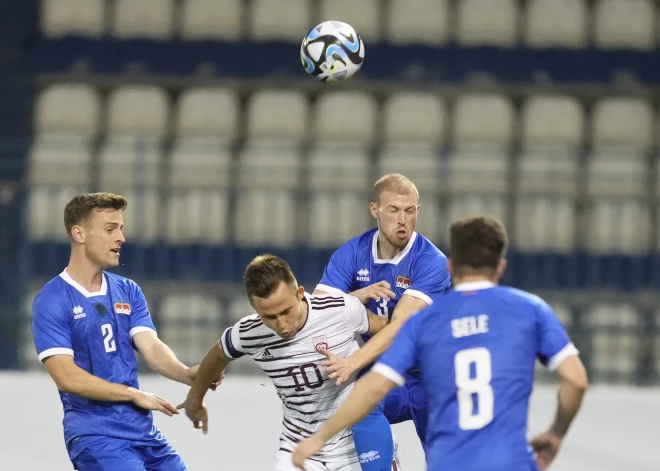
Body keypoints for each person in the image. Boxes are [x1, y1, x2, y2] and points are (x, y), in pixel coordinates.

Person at [293, 215, 589, 471]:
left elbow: (372, 388)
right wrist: (555, 433)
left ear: (450, 265)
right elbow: (576, 381)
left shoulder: (425, 321)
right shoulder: (531, 310)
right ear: (500, 266)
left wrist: (319, 438)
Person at [31, 192, 221, 471]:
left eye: (121, 228)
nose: (121, 238)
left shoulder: (127, 290)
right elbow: (66, 376)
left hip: (142, 432)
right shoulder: (53, 299)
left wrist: (187, 373)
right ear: (79, 234)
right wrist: (132, 394)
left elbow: (152, 347)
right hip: (96, 436)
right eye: (110, 229)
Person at [178, 254, 389, 471]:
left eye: (286, 311)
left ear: (299, 294)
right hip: (298, 448)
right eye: (269, 317)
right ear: (254, 308)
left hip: (358, 443)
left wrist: (357, 363)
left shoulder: (340, 310)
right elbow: (218, 354)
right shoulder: (249, 333)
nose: (282, 324)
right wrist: (195, 399)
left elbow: (389, 331)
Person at [313, 173, 450, 469]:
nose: (403, 220)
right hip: (386, 374)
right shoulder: (352, 253)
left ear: (418, 211)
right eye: (393, 210)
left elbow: (402, 327)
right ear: (374, 209)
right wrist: (357, 295)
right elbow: (318, 309)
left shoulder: (432, 261)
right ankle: (385, 459)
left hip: (433, 378)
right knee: (355, 407)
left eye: (410, 211)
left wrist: (352, 362)